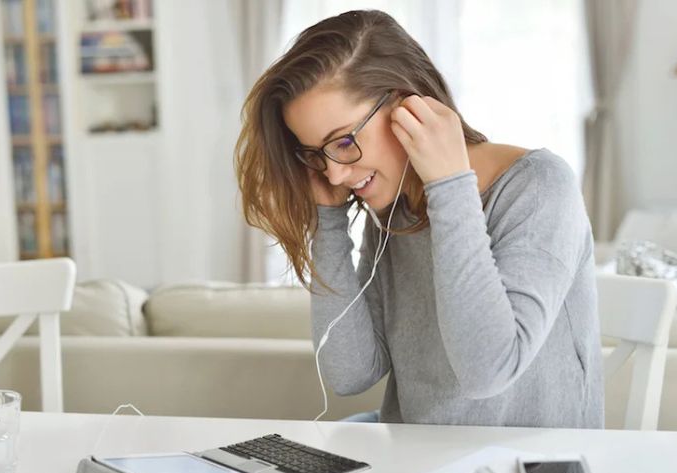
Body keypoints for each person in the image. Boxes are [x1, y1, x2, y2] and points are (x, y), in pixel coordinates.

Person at [235, 10, 603, 428]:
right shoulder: (396, 208)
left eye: (343, 141)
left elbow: (488, 372)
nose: (334, 173)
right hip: (416, 470)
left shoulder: (538, 187)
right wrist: (328, 221)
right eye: (317, 154)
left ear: (408, 106)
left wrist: (449, 186)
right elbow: (350, 373)